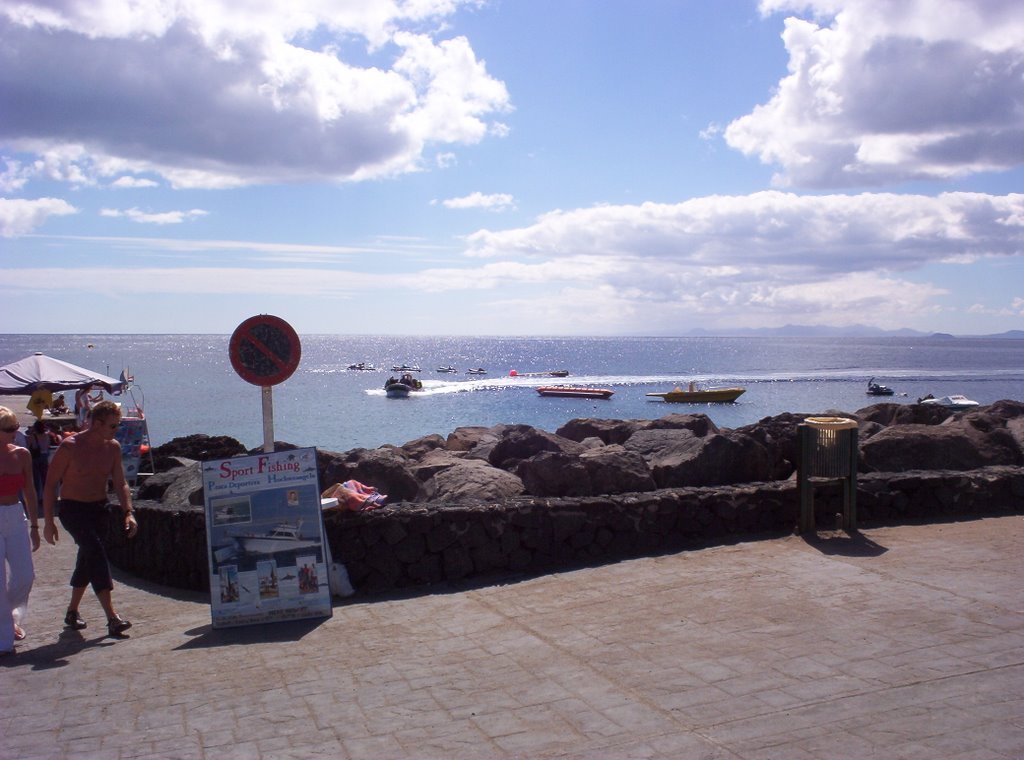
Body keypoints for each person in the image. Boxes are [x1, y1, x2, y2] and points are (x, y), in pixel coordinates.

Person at [43, 400, 136, 637]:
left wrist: (129, 512)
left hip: (99, 509)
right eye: (113, 426)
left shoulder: (112, 447)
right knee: (95, 552)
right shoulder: (69, 447)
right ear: (97, 423)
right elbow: (51, 483)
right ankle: (112, 617)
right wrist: (48, 522)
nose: (117, 430)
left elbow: (120, 482)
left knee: (87, 558)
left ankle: (72, 611)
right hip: (73, 509)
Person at [0, 407, 42, 656]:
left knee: (25, 575)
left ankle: (10, 614)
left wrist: (36, 526)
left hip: (15, 515)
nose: (15, 433)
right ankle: (5, 637)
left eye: (16, 427)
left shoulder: (22, 454)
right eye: (8, 429)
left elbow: (30, 492)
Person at [26, 419, 53, 497]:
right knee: (44, 478)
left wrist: (31, 430)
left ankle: (37, 496)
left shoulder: (32, 436)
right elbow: (48, 445)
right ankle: (46, 495)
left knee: (36, 479)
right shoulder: (47, 435)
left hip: (35, 457)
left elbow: (28, 447)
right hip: (44, 457)